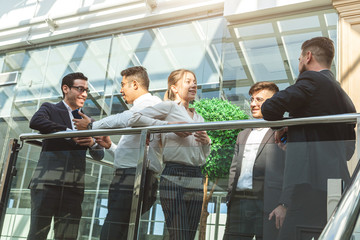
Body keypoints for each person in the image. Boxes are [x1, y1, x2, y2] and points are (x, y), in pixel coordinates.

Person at [261, 37, 356, 240]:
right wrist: (297, 133)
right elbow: (348, 151)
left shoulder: (311, 80)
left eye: (299, 58)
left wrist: (284, 126)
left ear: (308, 56)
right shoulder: (344, 97)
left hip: (305, 187)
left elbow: (269, 108)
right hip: (335, 187)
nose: (299, 63)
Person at [73, 66, 162, 240]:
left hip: (134, 179)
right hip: (130, 176)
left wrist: (92, 126)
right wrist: (110, 146)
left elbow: (126, 118)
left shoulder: (150, 104)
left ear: (135, 84)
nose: (121, 90)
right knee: (119, 231)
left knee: (111, 232)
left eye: (123, 85)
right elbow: (130, 155)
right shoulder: (142, 108)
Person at [127, 69, 211, 240]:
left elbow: (202, 158)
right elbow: (134, 118)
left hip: (196, 176)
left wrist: (206, 142)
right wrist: (168, 125)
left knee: (188, 236)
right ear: (174, 88)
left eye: (194, 81)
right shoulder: (169, 107)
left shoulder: (199, 118)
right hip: (174, 174)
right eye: (188, 81)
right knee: (178, 234)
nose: (193, 85)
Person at [27, 72, 104, 240]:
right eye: (80, 89)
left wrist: (92, 143)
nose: (84, 94)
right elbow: (35, 122)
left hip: (73, 188)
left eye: (86, 90)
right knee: (38, 234)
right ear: (65, 88)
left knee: (67, 236)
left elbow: (99, 154)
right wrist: (69, 134)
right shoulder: (50, 108)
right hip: (47, 184)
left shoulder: (87, 120)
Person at [223, 81, 290, 240]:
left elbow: (291, 169)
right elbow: (234, 169)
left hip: (268, 204)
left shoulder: (283, 131)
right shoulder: (243, 134)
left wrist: (284, 203)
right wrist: (229, 198)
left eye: (259, 100)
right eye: (252, 99)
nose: (253, 103)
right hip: (239, 203)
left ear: (272, 102)